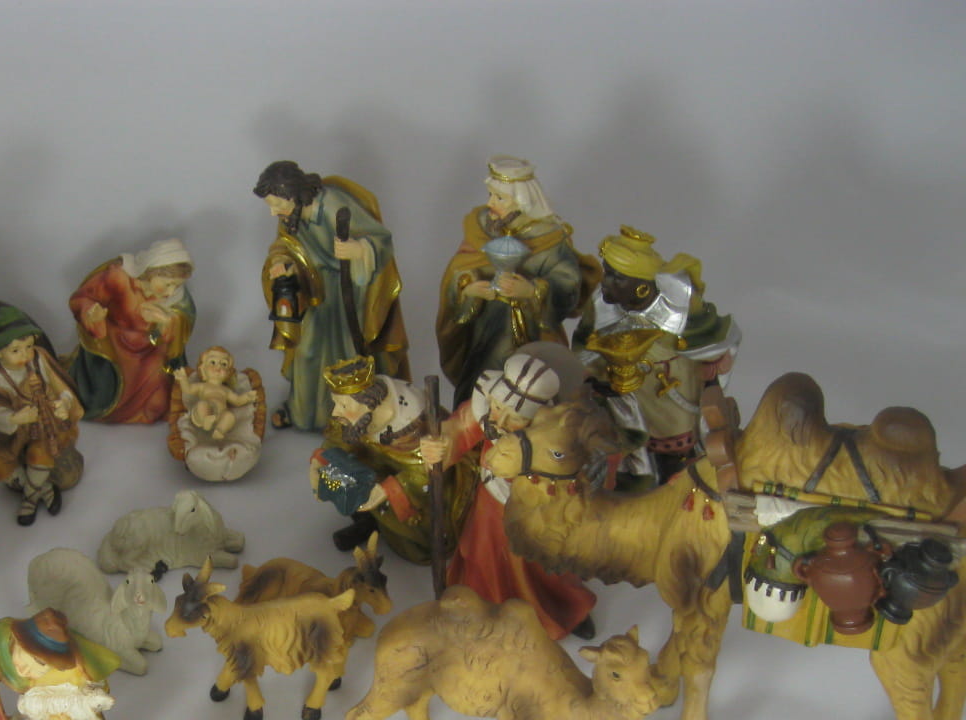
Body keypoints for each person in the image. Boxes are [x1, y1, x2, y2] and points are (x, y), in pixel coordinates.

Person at [433, 352, 596, 640]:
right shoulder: (485, 412)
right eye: (498, 408)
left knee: (541, 562)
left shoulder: (551, 433)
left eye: (516, 418)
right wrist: (440, 445)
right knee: (487, 556)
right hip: (491, 503)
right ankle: (486, 607)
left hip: (536, 505)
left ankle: (560, 607)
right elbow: (458, 430)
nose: (502, 421)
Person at [572, 225, 740, 484]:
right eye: (607, 273)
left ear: (641, 288)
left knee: (674, 459)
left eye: (616, 278)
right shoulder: (601, 305)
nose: (605, 282)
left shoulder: (681, 314)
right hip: (619, 403)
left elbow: (717, 341)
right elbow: (584, 349)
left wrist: (712, 367)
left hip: (669, 401)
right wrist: (595, 376)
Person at [255, 161, 408, 432]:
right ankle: (304, 413)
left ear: (292, 194)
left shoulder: (333, 205)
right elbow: (286, 246)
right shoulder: (290, 216)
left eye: (276, 204)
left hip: (350, 292)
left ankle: (353, 416)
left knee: (348, 354)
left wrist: (359, 249)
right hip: (316, 290)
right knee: (308, 351)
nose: (273, 212)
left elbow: (381, 240)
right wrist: (283, 263)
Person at [435, 156, 589, 411]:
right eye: (490, 195)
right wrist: (468, 289)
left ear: (522, 201)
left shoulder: (548, 237)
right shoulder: (480, 229)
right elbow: (459, 269)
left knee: (532, 390)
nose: (490, 203)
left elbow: (567, 284)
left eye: (500, 198)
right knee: (479, 387)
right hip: (486, 328)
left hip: (532, 333)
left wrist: (533, 291)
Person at [308, 356, 472, 565]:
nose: (335, 411)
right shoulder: (355, 417)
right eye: (336, 403)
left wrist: (387, 490)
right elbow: (339, 439)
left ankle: (403, 536)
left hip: (412, 487)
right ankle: (369, 521)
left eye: (343, 405)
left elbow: (427, 471)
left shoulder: (414, 425)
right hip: (371, 474)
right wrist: (320, 461)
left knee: (416, 533)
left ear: (369, 404)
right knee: (347, 481)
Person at [66, 238, 195, 423]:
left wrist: (167, 321)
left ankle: (143, 411)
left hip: (150, 346)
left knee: (159, 402)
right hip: (113, 343)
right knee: (103, 392)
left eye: (177, 285)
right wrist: (92, 314)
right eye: (167, 284)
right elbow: (82, 298)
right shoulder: (118, 277)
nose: (171, 291)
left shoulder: (175, 294)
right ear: (152, 272)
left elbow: (185, 317)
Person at [0, 309, 84, 526]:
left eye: (28, 346)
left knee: (39, 454)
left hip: (46, 426)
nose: (25, 355)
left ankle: (29, 500)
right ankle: (45, 489)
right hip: (14, 433)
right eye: (15, 350)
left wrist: (64, 403)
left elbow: (62, 388)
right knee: (1, 469)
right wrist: (14, 419)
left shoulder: (39, 358)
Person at [167, 346, 266, 482]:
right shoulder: (202, 386)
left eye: (223, 364)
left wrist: (247, 397)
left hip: (219, 415)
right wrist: (183, 379)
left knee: (230, 416)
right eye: (213, 362)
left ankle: (219, 431)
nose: (218, 367)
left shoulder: (225, 390)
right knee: (202, 405)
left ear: (228, 373)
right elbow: (187, 390)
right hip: (203, 414)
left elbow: (237, 401)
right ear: (202, 369)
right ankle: (205, 421)